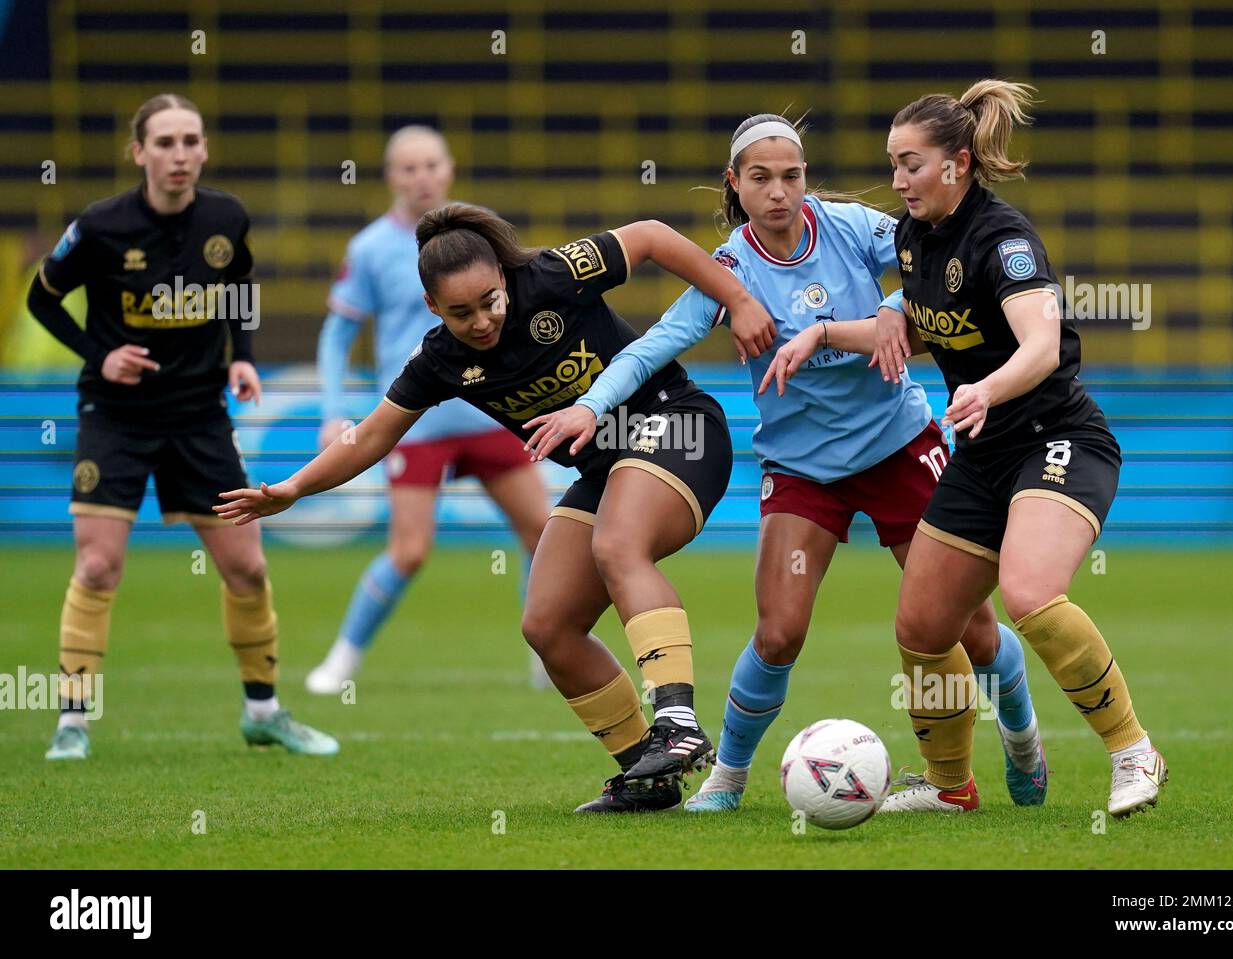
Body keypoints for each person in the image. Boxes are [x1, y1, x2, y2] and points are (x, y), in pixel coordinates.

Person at [523, 113, 1047, 815]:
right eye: (761, 179)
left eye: (792, 176)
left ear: (806, 178)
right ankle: (727, 779)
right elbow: (650, 348)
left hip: (899, 447)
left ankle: (1019, 735)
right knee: (778, 631)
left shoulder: (852, 228)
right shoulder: (728, 272)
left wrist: (895, 307)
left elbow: (941, 263)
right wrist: (592, 405)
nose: (779, 192)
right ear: (735, 186)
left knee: (970, 630)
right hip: (802, 471)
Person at [216, 203, 776, 812]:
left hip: (679, 427)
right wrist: (294, 488)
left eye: (490, 301)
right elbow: (371, 435)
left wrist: (738, 300)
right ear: (433, 308)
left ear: (505, 282)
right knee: (547, 624)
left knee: (617, 544)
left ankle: (677, 719)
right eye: (460, 312)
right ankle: (649, 773)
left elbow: (649, 237)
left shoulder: (552, 275)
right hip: (605, 468)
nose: (481, 321)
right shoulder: (440, 361)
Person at [764, 81, 1165, 818]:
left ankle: (1133, 749)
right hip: (983, 455)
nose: (896, 180)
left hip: (1057, 440)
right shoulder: (917, 237)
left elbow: (1041, 345)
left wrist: (985, 389)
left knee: (1032, 596)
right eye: (892, 164)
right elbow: (928, 328)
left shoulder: (1003, 239)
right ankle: (951, 787)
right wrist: (829, 332)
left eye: (910, 164)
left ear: (957, 163)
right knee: (921, 626)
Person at [27, 93, 337, 760]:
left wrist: (244, 358)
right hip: (115, 416)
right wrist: (98, 354)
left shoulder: (226, 216)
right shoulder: (101, 225)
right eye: (164, 142)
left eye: (190, 141)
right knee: (100, 564)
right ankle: (72, 722)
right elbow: (42, 296)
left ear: (203, 149)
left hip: (199, 416)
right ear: (138, 152)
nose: (180, 155)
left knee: (247, 568)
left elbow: (239, 286)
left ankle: (264, 711)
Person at [308, 126, 550, 694]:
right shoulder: (369, 248)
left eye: (430, 166)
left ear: (450, 169)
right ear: (391, 177)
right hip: (416, 424)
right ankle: (343, 657)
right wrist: (333, 411)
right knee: (410, 550)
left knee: (544, 533)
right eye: (408, 168)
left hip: (492, 413)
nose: (421, 178)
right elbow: (336, 335)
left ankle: (548, 651)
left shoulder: (480, 239)